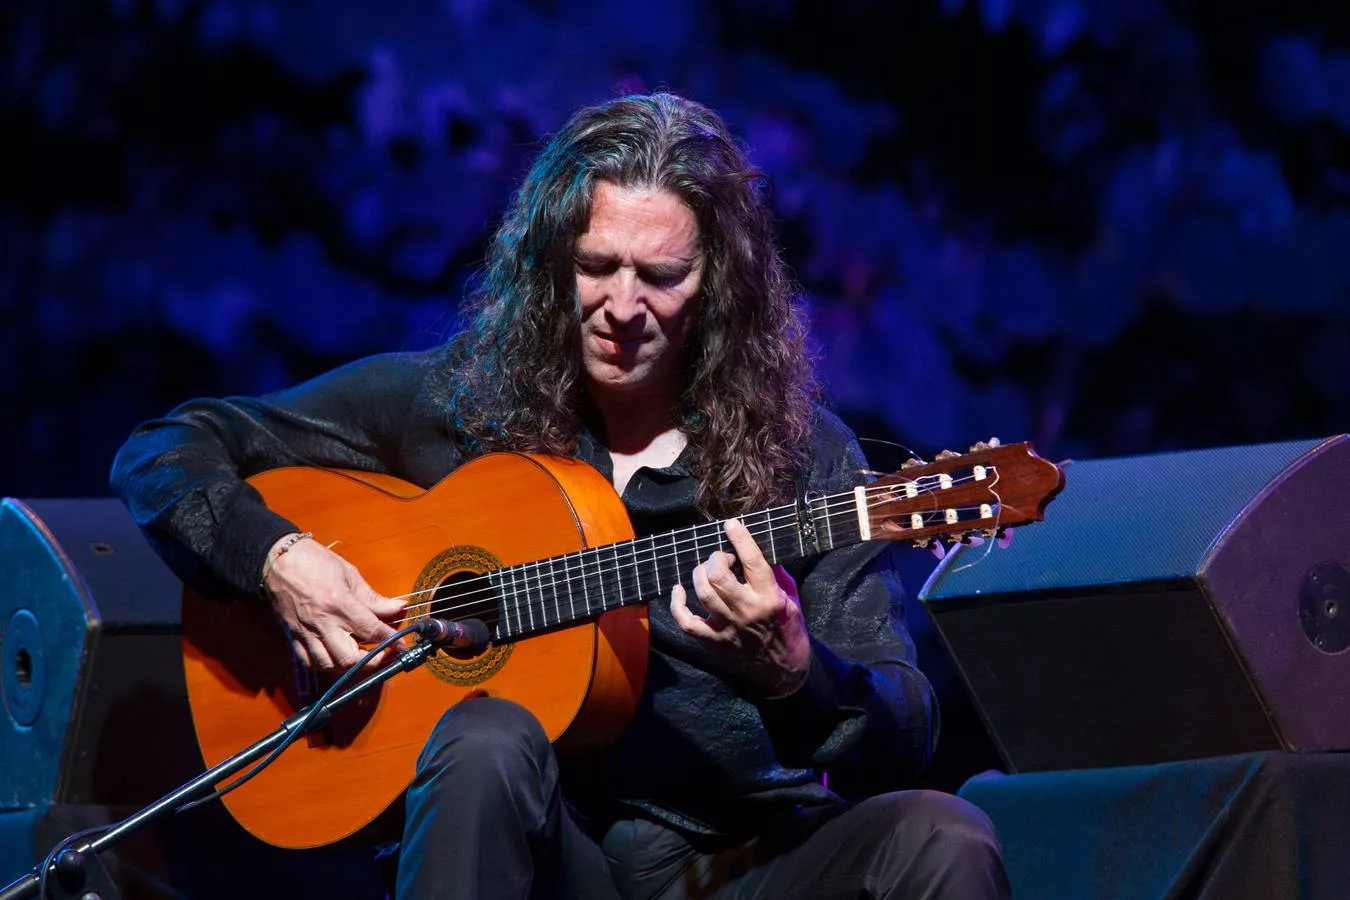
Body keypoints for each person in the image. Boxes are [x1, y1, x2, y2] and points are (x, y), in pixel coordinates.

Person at [112, 92, 1009, 899]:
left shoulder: (800, 457)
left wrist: (794, 672)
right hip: (533, 861)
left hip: (742, 865)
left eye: (661, 276)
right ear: (553, 263)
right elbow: (164, 452)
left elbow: (904, 736)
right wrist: (279, 559)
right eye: (597, 265)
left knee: (945, 835)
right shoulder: (459, 409)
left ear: (721, 288)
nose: (623, 304)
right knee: (488, 735)